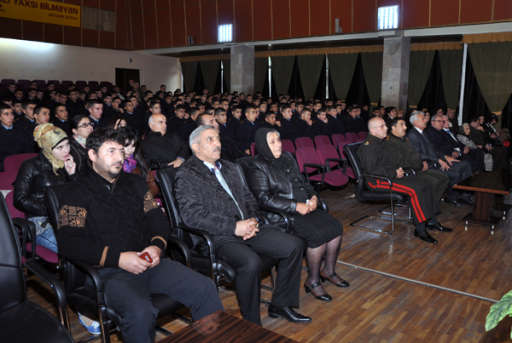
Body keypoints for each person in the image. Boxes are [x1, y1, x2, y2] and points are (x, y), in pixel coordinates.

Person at [53, 127, 223, 343]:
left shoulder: (135, 183)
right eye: (111, 151)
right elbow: (70, 242)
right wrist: (119, 259)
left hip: (148, 261)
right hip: (108, 272)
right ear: (92, 155)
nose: (119, 157)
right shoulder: (75, 192)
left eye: (121, 151)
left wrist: (156, 247)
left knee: (205, 288)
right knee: (141, 312)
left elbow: (157, 220)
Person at [175, 125, 310, 325]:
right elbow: (192, 216)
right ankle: (252, 324)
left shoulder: (232, 167)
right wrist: (234, 227)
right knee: (250, 262)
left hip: (249, 227)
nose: (218, 143)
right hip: (218, 236)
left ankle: (281, 304)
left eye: (218, 138)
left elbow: (250, 200)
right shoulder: (187, 174)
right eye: (210, 140)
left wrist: (254, 221)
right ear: (195, 147)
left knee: (294, 245)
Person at [246, 128, 348, 303]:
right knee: (317, 235)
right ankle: (313, 280)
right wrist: (295, 206)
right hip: (283, 215)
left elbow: (303, 182)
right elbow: (264, 199)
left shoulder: (287, 157)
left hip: (305, 207)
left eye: (278, 140)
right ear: (263, 145)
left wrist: (314, 196)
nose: (278, 144)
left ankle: (328, 270)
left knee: (335, 227)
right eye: (272, 142)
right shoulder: (257, 166)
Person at [358, 117, 451, 244]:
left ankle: (431, 220)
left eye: (385, 125)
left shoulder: (382, 142)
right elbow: (371, 169)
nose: (386, 128)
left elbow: (390, 160)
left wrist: (399, 169)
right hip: (378, 181)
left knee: (426, 183)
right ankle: (420, 229)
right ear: (373, 131)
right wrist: (394, 172)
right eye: (382, 126)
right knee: (417, 189)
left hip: (391, 176)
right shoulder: (368, 146)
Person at [13, 123, 77, 252]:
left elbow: (76, 196)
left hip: (66, 215)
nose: (66, 150)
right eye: (60, 147)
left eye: (67, 145)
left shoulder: (66, 163)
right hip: (41, 220)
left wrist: (72, 175)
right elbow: (19, 199)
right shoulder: (30, 165)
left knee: (95, 239)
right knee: (74, 249)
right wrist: (50, 210)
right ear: (48, 148)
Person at [407, 111, 473, 206]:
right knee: (454, 172)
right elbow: (418, 154)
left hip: (436, 160)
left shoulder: (422, 133)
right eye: (423, 119)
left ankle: (465, 194)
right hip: (428, 165)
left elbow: (433, 150)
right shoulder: (412, 135)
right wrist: (439, 160)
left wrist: (445, 157)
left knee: (465, 164)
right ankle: (451, 196)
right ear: (415, 122)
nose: (426, 120)